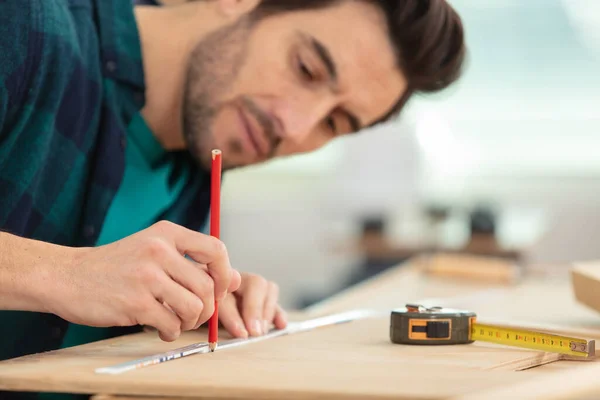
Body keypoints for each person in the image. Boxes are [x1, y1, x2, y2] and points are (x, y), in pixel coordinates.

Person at [0, 0, 465, 395]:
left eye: (334, 124)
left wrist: (193, 306)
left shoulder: (200, 163)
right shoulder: (23, 28)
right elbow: (82, 281)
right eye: (306, 69)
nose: (296, 127)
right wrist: (66, 274)